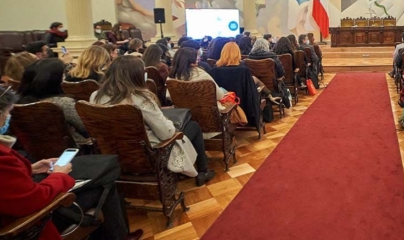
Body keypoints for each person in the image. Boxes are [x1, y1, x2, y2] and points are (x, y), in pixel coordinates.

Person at [0, 84, 142, 240]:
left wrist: (30, 169)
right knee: (104, 185)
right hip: (24, 231)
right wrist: (58, 176)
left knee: (102, 176)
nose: (8, 119)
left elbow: (3, 184)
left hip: (13, 212)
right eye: (7, 113)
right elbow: (30, 201)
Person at [96, 56, 215, 185]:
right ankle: (203, 170)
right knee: (193, 126)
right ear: (137, 76)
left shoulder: (96, 97)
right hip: (150, 154)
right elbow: (166, 133)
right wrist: (168, 122)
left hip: (114, 152)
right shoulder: (141, 99)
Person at [17, 59, 90, 147]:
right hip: (71, 151)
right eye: (63, 74)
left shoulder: (17, 103)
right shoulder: (63, 103)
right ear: (55, 79)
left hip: (33, 150)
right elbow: (86, 128)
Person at [210, 42, 261, 124]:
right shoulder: (244, 70)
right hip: (242, 106)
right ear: (238, 53)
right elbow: (250, 93)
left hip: (222, 106)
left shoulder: (214, 70)